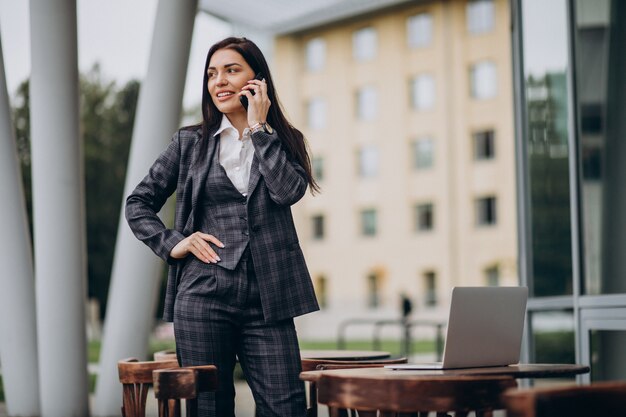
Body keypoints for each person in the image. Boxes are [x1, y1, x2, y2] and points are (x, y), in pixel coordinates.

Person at [125, 36, 320, 417]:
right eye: (212, 73)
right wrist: (174, 243)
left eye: (232, 70)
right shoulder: (189, 143)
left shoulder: (285, 141)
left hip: (270, 296)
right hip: (203, 295)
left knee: (288, 407)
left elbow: (287, 192)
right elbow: (138, 203)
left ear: (257, 80)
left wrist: (260, 131)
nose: (220, 81)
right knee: (209, 408)